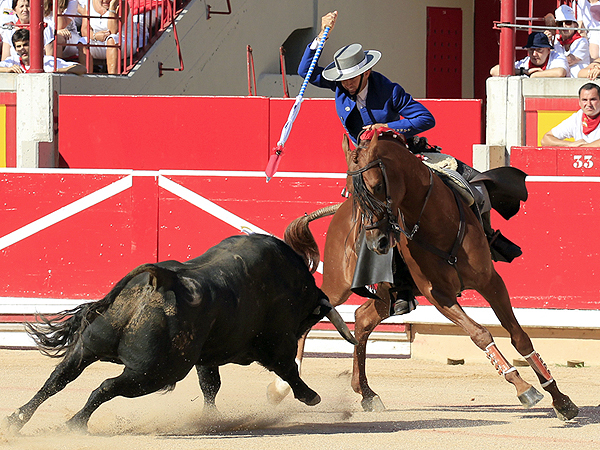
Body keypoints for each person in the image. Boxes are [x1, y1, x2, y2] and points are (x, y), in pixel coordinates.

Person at [298, 11, 435, 145]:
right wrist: (322, 36)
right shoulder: (340, 85)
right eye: (343, 79)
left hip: (391, 149)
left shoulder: (390, 91)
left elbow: (425, 118)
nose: (347, 84)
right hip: (362, 155)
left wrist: (386, 127)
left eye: (352, 78)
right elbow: (305, 71)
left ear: (366, 73)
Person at [0, 28, 86, 73]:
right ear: (15, 49)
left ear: (33, 45)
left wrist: (56, 71)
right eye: (19, 46)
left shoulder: (47, 61)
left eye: (26, 45)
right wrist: (7, 70)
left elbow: (81, 69)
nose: (22, 49)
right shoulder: (12, 61)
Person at [541, 82, 600, 147]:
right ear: (579, 102)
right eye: (584, 100)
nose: (588, 104)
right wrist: (570, 144)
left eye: (593, 99)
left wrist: (583, 148)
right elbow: (545, 140)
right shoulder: (576, 118)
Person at [490, 32, 568, 78]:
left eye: (539, 50)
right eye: (531, 50)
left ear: (548, 50)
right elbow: (494, 71)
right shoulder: (525, 62)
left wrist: (535, 75)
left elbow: (560, 72)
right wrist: (523, 71)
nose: (534, 54)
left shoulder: (556, 57)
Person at [553, 4, 590, 78]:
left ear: (575, 25)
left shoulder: (582, 41)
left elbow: (570, 60)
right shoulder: (555, 40)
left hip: (578, 80)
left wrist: (551, 59)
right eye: (560, 24)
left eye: (568, 23)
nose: (564, 26)